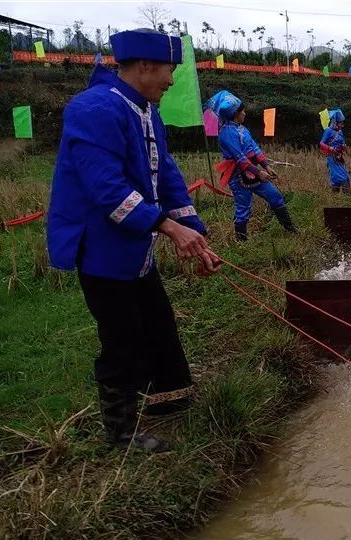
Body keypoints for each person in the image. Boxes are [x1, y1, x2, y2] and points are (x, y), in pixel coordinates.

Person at [47, 29, 220, 453]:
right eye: (168, 71)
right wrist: (167, 227)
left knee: (158, 322)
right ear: (144, 66)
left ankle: (170, 400)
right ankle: (121, 435)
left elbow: (168, 177)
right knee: (122, 337)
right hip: (103, 245)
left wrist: (192, 230)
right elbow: (106, 189)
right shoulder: (93, 109)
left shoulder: (146, 111)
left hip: (135, 244)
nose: (172, 81)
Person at [207, 90, 297, 241]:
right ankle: (241, 242)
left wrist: (266, 166)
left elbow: (254, 148)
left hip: (253, 173)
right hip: (238, 176)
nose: (245, 113)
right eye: (243, 111)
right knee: (243, 209)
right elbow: (240, 158)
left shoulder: (242, 129)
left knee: (275, 196)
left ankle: (290, 229)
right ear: (236, 113)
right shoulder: (226, 134)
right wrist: (259, 172)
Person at [320, 109, 351, 193]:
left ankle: (344, 196)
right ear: (335, 122)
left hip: (339, 157)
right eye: (340, 123)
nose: (342, 125)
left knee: (345, 175)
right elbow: (322, 143)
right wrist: (330, 148)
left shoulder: (340, 132)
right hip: (331, 157)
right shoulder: (328, 131)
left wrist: (344, 147)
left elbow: (343, 142)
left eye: (342, 123)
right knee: (339, 176)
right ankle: (337, 194)